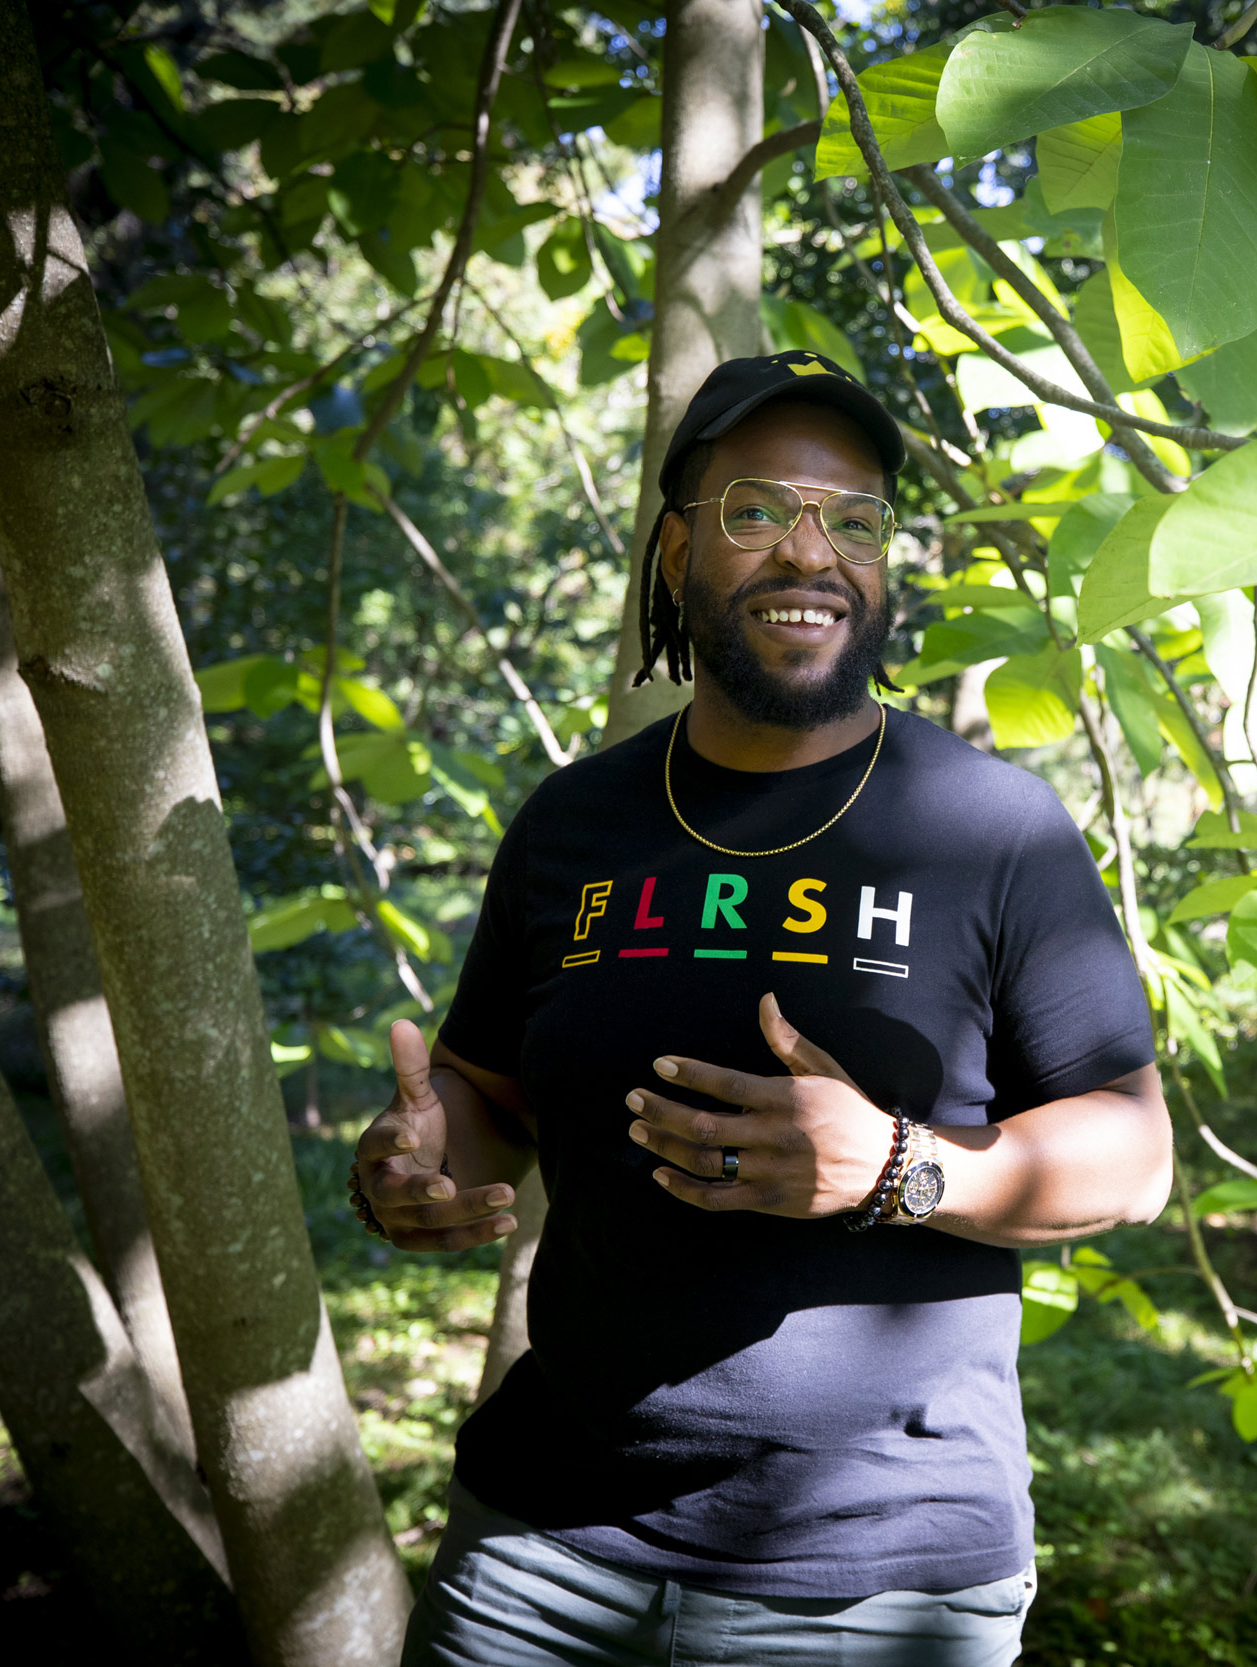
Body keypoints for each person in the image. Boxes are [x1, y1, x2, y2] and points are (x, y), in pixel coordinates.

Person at [353, 350, 1173, 1667]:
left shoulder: (992, 830)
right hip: (537, 1556)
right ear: (677, 550)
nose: (814, 551)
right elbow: (490, 1091)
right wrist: (422, 1157)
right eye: (760, 511)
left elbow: (1134, 1158)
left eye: (854, 521)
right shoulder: (577, 821)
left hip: (870, 1584)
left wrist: (896, 1169)